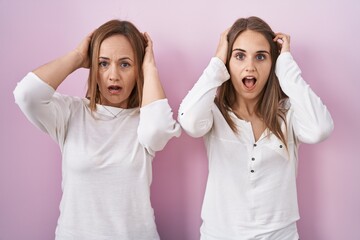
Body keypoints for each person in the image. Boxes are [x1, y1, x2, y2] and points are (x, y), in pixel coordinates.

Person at [14, 19, 181, 240]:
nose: (113, 75)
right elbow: (26, 95)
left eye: (125, 64)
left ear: (137, 69)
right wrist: (77, 57)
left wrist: (149, 67)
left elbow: (157, 131)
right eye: (103, 63)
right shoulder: (70, 113)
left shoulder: (145, 119)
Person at [178, 16, 334, 240]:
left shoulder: (289, 113)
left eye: (261, 57)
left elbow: (320, 129)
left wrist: (287, 69)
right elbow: (190, 121)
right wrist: (217, 61)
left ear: (273, 63)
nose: (250, 66)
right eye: (239, 56)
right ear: (228, 62)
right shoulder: (213, 112)